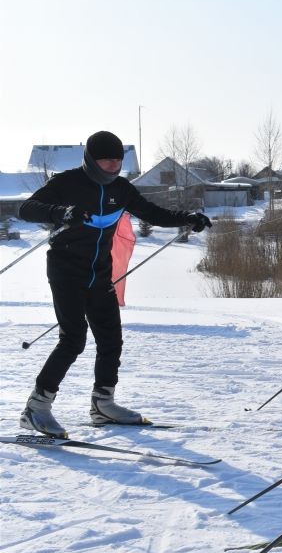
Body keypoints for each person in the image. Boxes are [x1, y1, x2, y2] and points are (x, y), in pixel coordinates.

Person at [17, 130, 213, 438]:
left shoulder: (121, 189)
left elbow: (152, 213)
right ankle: (36, 407)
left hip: (100, 274)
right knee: (73, 339)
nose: (114, 167)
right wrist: (60, 212)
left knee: (111, 339)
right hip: (67, 272)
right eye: (107, 161)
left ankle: (103, 404)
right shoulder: (68, 183)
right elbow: (26, 209)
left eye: (118, 161)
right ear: (92, 160)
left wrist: (186, 218)